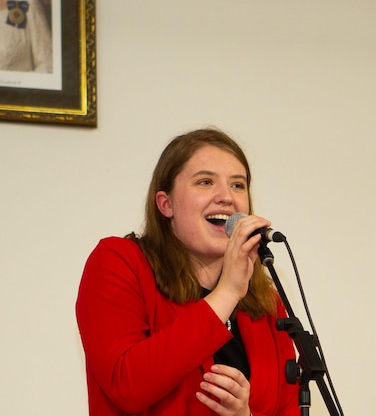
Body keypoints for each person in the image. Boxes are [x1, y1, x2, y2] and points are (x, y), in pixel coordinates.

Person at [76, 128, 299, 416]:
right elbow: (127, 386)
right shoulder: (119, 262)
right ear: (165, 204)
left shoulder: (267, 302)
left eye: (238, 185)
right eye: (205, 182)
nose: (227, 198)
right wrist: (227, 293)